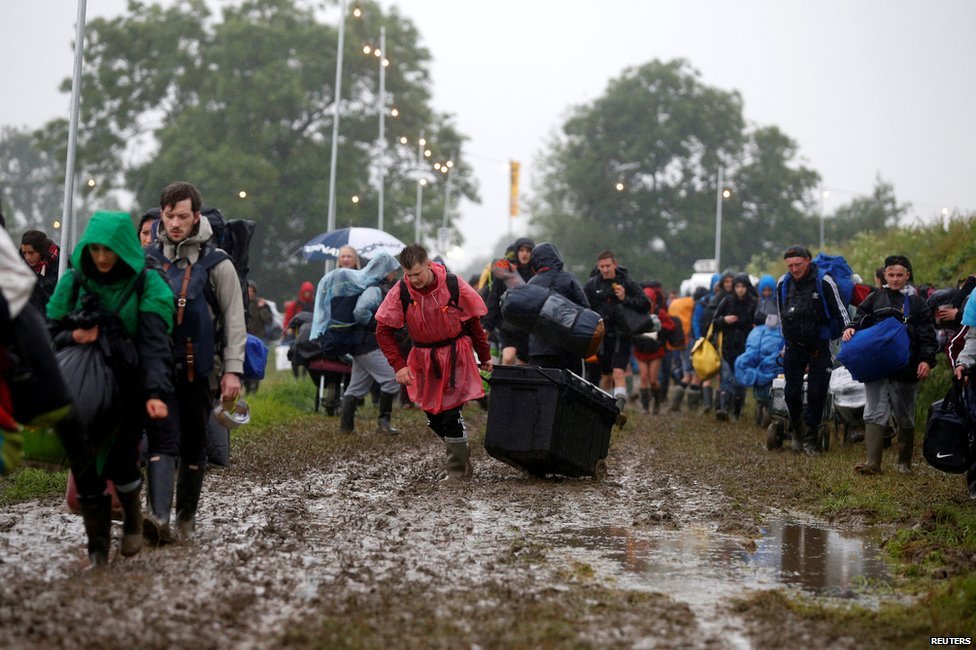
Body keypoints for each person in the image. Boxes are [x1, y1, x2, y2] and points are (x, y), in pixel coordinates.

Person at [46, 211, 175, 566]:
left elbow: (154, 345)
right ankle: (99, 553)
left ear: (124, 248)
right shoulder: (73, 282)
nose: (102, 258)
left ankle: (133, 519)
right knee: (85, 471)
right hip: (80, 394)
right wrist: (73, 334)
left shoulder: (146, 284)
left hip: (126, 394)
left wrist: (155, 393)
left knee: (121, 464)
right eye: (96, 249)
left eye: (110, 250)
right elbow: (48, 333)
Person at [143, 182, 246, 543]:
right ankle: (157, 520)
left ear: (196, 216)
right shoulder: (147, 260)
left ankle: (185, 520)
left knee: (193, 443)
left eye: (182, 216)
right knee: (161, 440)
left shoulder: (217, 263)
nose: (174, 223)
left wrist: (233, 370)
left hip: (200, 371)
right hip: (155, 369)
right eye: (169, 216)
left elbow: (235, 319)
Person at [375, 244, 492, 483]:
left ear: (429, 265)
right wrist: (399, 365)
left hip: (455, 354)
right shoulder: (401, 291)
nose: (413, 280)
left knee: (450, 413)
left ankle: (458, 472)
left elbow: (474, 324)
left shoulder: (452, 284)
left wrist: (485, 356)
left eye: (417, 274)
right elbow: (383, 331)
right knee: (433, 416)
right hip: (423, 358)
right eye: (408, 275)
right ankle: (461, 451)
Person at [846, 255, 937, 474]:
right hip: (876, 368)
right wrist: (851, 328)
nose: (895, 279)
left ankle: (904, 464)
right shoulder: (874, 298)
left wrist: (926, 360)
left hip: (906, 369)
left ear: (907, 275)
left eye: (899, 275)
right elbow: (859, 319)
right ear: (884, 275)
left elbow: (927, 335)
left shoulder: (917, 303)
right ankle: (872, 463)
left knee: (904, 414)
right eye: (891, 274)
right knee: (874, 412)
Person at [310, 252, 403, 435]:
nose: (394, 274)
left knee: (357, 387)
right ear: (384, 270)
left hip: (358, 344)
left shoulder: (367, 285)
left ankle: (346, 427)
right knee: (392, 379)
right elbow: (360, 312)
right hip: (366, 344)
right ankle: (383, 424)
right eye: (392, 270)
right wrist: (377, 326)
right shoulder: (373, 288)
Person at [776, 245, 850, 455]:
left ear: (808, 261)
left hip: (819, 347)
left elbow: (842, 314)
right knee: (791, 392)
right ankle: (798, 431)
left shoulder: (824, 281)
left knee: (817, 393)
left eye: (798, 264)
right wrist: (784, 344)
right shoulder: (782, 283)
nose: (794, 269)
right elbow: (782, 315)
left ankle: (810, 438)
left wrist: (848, 337)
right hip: (793, 347)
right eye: (790, 265)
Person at [583, 250, 649, 425]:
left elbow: (645, 303)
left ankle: (618, 411)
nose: (605, 270)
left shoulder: (626, 281)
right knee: (606, 377)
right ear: (598, 266)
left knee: (618, 372)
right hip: (601, 336)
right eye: (602, 266)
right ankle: (606, 411)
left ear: (615, 264)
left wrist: (625, 297)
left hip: (622, 334)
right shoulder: (592, 284)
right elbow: (582, 306)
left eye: (608, 266)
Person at [524, 242, 589, 372]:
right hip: (568, 347)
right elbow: (585, 307)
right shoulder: (568, 278)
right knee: (570, 388)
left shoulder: (530, 284)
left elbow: (525, 316)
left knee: (543, 389)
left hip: (539, 350)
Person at [484, 238, 535, 366]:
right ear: (517, 252)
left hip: (529, 329)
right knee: (508, 358)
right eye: (522, 250)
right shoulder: (504, 273)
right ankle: (504, 383)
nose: (525, 254)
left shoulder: (537, 274)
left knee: (523, 364)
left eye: (528, 251)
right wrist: (487, 327)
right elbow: (494, 301)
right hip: (508, 326)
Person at [712, 274, 757, 421]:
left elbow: (758, 322)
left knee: (739, 381)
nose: (740, 290)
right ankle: (723, 408)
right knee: (726, 378)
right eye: (737, 286)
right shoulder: (727, 301)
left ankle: (736, 412)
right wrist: (724, 320)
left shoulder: (753, 303)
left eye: (743, 286)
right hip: (727, 345)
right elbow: (714, 321)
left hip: (745, 346)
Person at [633, 282, 675, 414]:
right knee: (644, 377)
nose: (648, 303)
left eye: (650, 300)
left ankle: (657, 402)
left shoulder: (659, 312)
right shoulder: (637, 313)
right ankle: (645, 408)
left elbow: (671, 326)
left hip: (656, 349)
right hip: (641, 348)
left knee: (653, 380)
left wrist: (659, 328)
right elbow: (630, 326)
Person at [666, 288, 697, 412]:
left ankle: (675, 403)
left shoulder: (675, 304)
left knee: (686, 374)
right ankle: (692, 407)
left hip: (681, 342)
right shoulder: (692, 304)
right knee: (695, 375)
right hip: (691, 341)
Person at [20, 229, 60, 313]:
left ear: (42, 251)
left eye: (31, 253)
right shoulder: (21, 266)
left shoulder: (61, 264)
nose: (27, 257)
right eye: (24, 253)